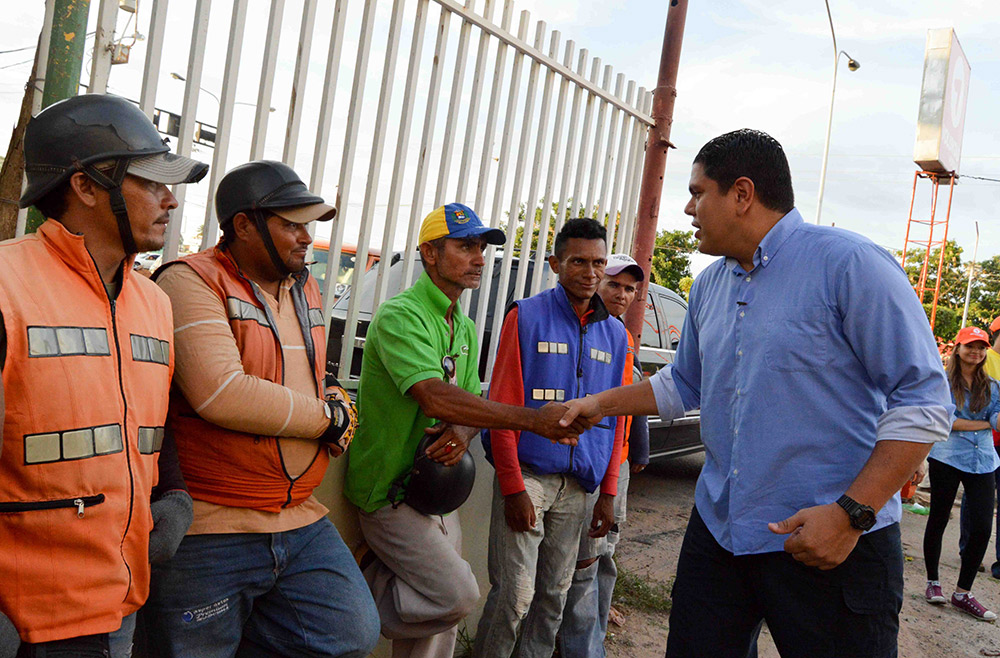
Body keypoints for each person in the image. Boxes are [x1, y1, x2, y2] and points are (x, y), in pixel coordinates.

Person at [559, 129, 953, 657]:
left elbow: (924, 401)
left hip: (830, 542)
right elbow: (685, 382)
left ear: (742, 194)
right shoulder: (709, 285)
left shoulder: (850, 265)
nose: (688, 207)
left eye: (699, 192)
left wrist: (850, 515)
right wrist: (597, 405)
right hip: (720, 533)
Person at [144, 160, 380, 657]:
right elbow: (221, 392)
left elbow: (310, 371)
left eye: (307, 224)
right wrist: (327, 418)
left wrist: (334, 394)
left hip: (300, 517)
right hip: (213, 524)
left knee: (350, 634)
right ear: (244, 224)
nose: (305, 236)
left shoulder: (305, 286)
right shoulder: (191, 281)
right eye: (290, 223)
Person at [0, 93, 207, 656]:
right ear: (85, 187)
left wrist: (177, 494)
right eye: (151, 182)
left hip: (122, 599)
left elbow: (144, 422)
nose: (171, 201)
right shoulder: (7, 287)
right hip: (29, 615)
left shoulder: (154, 302)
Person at [345, 203, 591, 658]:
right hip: (392, 493)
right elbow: (435, 396)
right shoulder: (403, 316)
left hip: (439, 491)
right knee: (458, 595)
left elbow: (466, 403)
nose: (479, 257)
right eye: (465, 246)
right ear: (430, 254)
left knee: (437, 631)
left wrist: (462, 428)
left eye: (482, 247)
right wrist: (532, 419)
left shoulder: (463, 326)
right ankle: (356, 596)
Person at [473, 217, 629, 658]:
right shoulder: (526, 316)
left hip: (580, 488)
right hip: (528, 479)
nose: (590, 272)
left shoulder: (616, 334)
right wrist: (513, 486)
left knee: (552, 599)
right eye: (578, 261)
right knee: (514, 597)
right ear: (555, 263)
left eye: (599, 262)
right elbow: (503, 407)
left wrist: (608, 493)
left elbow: (615, 424)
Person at [557, 253, 650, 657]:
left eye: (630, 288)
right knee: (581, 562)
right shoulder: (582, 332)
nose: (622, 294)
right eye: (615, 284)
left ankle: (593, 630)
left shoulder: (622, 338)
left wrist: (634, 456)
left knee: (604, 552)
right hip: (586, 462)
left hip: (617, 463)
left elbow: (631, 406)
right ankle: (580, 645)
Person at [923, 326, 1000, 621]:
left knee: (982, 526)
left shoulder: (992, 386)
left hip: (983, 460)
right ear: (957, 349)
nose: (976, 352)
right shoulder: (941, 382)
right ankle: (933, 582)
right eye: (970, 347)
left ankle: (963, 592)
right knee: (939, 517)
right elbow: (947, 423)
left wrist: (990, 422)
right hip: (946, 456)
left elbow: (996, 420)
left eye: (981, 347)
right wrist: (984, 424)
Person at [957, 316, 1000, 577]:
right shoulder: (986, 360)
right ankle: (969, 551)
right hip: (981, 445)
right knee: (975, 503)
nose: (976, 352)